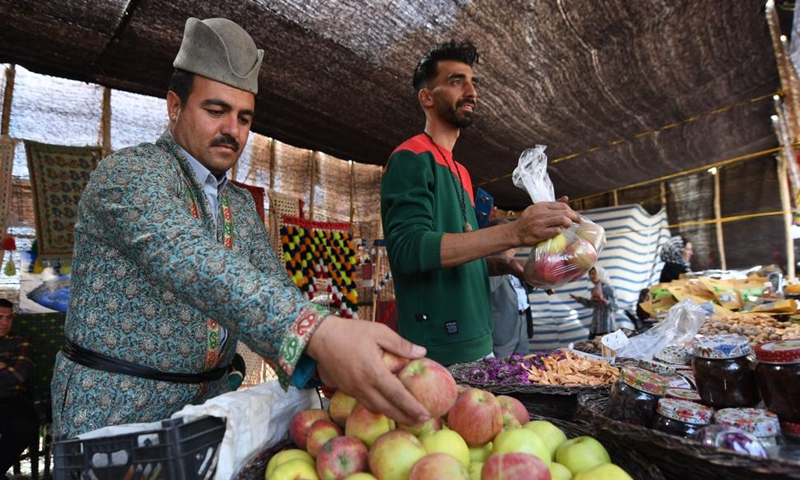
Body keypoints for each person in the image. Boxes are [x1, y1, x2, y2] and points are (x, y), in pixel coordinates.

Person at [52, 17, 430, 439]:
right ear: (174, 106)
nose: (232, 130)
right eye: (216, 110)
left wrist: (323, 360)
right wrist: (316, 333)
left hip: (207, 419)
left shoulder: (237, 205)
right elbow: (193, 260)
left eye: (245, 118)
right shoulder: (128, 174)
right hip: (113, 415)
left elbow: (272, 288)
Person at [380, 40, 580, 365]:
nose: (471, 91)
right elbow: (408, 249)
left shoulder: (461, 173)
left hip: (480, 342)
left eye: (474, 82)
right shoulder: (411, 157)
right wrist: (514, 232)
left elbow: (458, 252)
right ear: (427, 97)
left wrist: (504, 266)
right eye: (457, 81)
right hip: (438, 355)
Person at [0, 299, 39, 479]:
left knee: (24, 426)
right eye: (0, 317)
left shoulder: (21, 342)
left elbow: (19, 374)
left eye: (9, 318)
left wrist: (7, 370)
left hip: (13, 399)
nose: (5, 322)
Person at [489, 245, 531, 358]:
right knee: (501, 367)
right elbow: (490, 286)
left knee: (523, 363)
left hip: (522, 319)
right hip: (503, 326)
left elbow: (520, 290)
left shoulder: (515, 261)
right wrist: (504, 261)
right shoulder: (490, 263)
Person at [570, 266, 618, 339]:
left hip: (607, 328)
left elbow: (615, 307)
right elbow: (591, 304)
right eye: (590, 274)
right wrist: (579, 299)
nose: (591, 276)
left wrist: (602, 299)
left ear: (600, 274)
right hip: (595, 328)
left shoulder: (609, 289)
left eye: (593, 273)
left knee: (606, 349)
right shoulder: (594, 290)